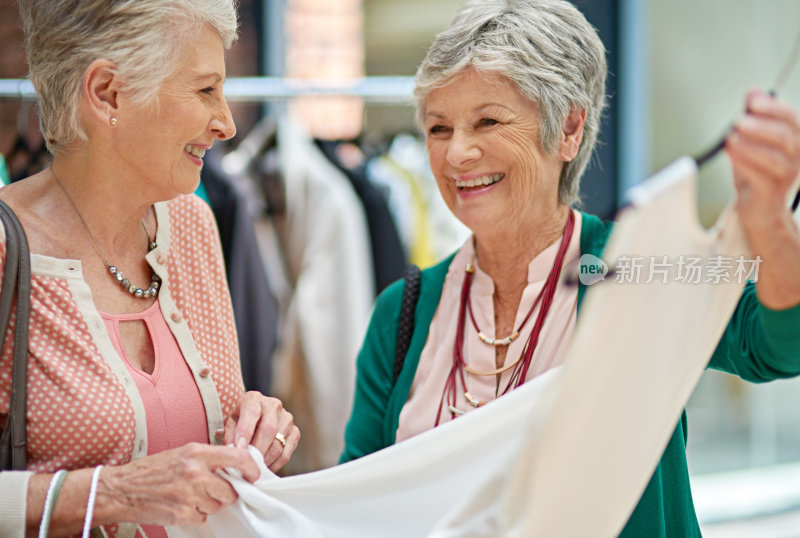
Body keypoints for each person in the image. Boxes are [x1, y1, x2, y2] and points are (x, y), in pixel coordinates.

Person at [340, 0, 800, 535]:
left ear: (570, 129)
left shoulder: (636, 271)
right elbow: (357, 500)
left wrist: (768, 219)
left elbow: (777, 345)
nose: (456, 153)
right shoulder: (403, 311)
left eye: (487, 121)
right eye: (439, 129)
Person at [0, 1, 301, 536]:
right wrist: (115, 492)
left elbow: (194, 434)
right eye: (206, 90)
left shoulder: (192, 226)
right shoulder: (7, 251)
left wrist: (254, 425)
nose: (227, 123)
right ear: (107, 93)